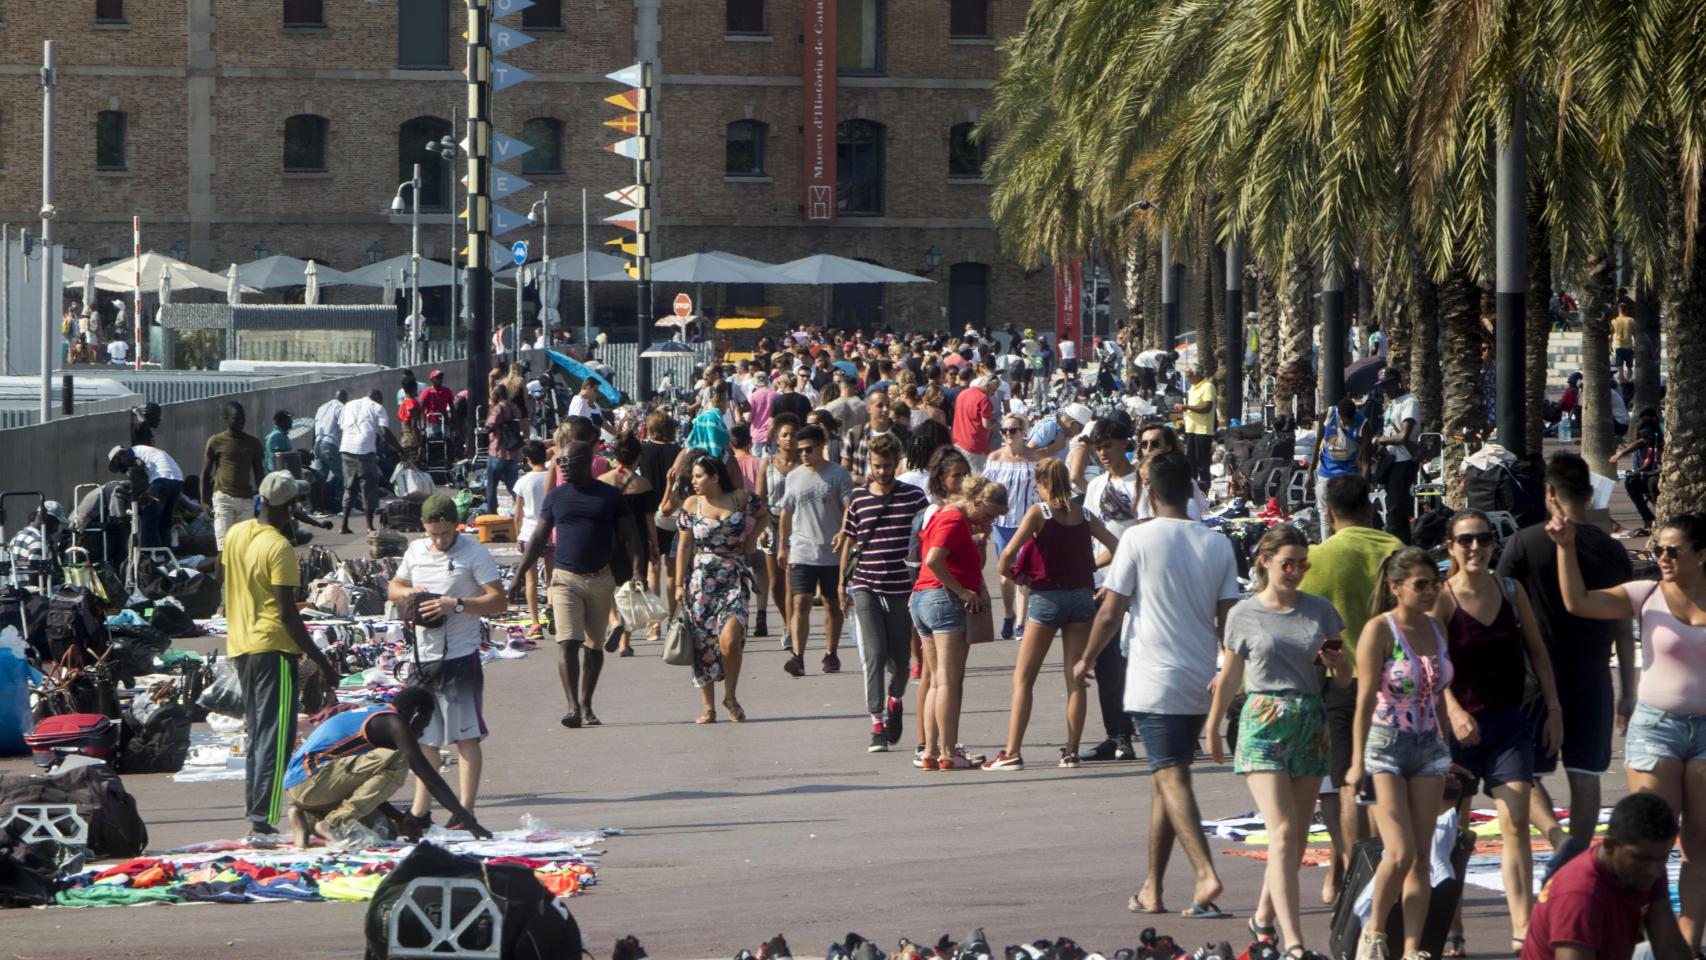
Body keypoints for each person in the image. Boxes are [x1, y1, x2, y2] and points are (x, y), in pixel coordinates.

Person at [1076, 451, 1238, 918]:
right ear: (1191, 491)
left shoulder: (1137, 538)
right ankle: (1153, 887)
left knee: (1172, 775)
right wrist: (1227, 670)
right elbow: (1228, 621)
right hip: (1199, 674)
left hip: (1153, 676)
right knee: (1164, 779)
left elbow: (1111, 611)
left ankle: (1205, 874)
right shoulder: (1217, 543)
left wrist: (1085, 658)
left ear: (1149, 490)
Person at [1552, 512, 1706, 950]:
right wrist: (1565, 547)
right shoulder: (1646, 594)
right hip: (1657, 729)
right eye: (1658, 549)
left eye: (1673, 550)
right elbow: (1578, 601)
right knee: (1650, 839)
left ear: (1701, 554)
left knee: (1700, 847)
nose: (1662, 557)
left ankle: (1687, 948)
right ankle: (1632, 941)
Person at [1206, 525, 1351, 953]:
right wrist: (1212, 726)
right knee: (1284, 831)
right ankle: (1294, 943)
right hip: (1263, 719)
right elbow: (1230, 675)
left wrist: (1339, 663)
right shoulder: (1244, 613)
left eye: (1303, 564)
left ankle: (1263, 918)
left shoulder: (1320, 610)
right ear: (1264, 562)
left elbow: (1343, 678)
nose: (1296, 572)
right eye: (1288, 563)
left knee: (1297, 837)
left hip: (1310, 720)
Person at [1497, 454, 1636, 868]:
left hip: (1534, 679)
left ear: (1550, 493)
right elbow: (1623, 625)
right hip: (1592, 676)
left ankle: (1557, 840)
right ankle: (1575, 859)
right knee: (1586, 775)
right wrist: (1628, 691)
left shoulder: (1524, 543)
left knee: (1521, 772)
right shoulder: (1612, 550)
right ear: (1590, 495)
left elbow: (1500, 604)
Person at [1436, 509, 1564, 952]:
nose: (1476, 547)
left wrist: (1553, 707)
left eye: (1484, 539)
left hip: (1508, 723)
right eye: (1466, 540)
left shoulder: (1510, 589)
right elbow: (1431, 667)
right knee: (1453, 835)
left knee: (1515, 824)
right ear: (1451, 546)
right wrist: (1454, 710)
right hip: (1456, 732)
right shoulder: (1442, 599)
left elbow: (1538, 652)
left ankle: (1522, 930)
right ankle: (1453, 929)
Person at [1298, 474, 1404, 904]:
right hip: (1394, 677)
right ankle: (1378, 871)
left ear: (1329, 512)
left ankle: (1351, 873)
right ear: (1369, 509)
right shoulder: (1394, 548)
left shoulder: (1318, 557)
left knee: (1346, 782)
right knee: (1383, 778)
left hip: (1341, 679)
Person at [1346, 547, 1454, 960]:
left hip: (1429, 746)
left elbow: (1439, 695)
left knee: (1423, 855)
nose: (1430, 591)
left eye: (1434, 583)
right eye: (1420, 584)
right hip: (1385, 744)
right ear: (1395, 588)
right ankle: (1373, 933)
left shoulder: (1437, 628)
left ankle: (1412, 948)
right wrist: (1356, 762)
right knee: (1400, 851)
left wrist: (1446, 746)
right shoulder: (1380, 630)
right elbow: (1363, 700)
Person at [986, 459, 1120, 770]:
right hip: (1081, 597)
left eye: (1037, 484)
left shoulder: (1039, 513)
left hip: (1048, 598)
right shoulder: (1084, 514)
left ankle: (1012, 751)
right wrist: (1089, 566)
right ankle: (1071, 750)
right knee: (1076, 678)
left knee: (1024, 677)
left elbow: (1006, 556)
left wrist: (1016, 576)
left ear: (1044, 483)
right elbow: (1116, 546)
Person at [222, 472, 336, 836]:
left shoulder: (237, 533)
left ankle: (256, 812)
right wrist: (320, 660)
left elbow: (227, 578)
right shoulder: (279, 548)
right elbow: (287, 614)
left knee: (258, 734)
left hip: (241, 646)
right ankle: (263, 821)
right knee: (276, 737)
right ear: (291, 507)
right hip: (273, 648)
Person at [387, 495, 506, 823]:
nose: (440, 540)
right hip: (421, 658)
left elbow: (499, 601)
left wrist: (456, 604)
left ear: (456, 525)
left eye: (446, 533)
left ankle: (465, 811)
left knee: (465, 737)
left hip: (459, 656)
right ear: (424, 528)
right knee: (424, 739)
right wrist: (408, 594)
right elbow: (394, 586)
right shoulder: (416, 550)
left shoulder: (474, 553)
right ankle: (420, 810)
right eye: (433, 533)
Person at [510, 442, 644, 729]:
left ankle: (586, 704)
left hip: (600, 579)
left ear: (586, 462)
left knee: (594, 647)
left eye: (567, 462)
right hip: (564, 579)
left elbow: (631, 536)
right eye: (560, 462)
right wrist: (519, 573)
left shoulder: (610, 496)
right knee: (568, 642)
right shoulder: (556, 497)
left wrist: (637, 571)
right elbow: (538, 537)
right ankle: (572, 707)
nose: (562, 467)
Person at [284, 688, 492, 847]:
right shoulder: (392, 723)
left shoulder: (376, 717)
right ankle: (335, 822)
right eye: (425, 722)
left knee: (384, 830)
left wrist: (401, 819)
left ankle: (306, 817)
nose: (422, 731)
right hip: (311, 780)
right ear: (416, 714)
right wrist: (468, 820)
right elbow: (430, 778)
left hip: (309, 787)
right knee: (399, 759)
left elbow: (366, 788)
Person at [838, 433, 928, 752]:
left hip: (903, 588)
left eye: (887, 466)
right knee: (875, 654)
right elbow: (850, 542)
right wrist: (841, 584)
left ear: (896, 464)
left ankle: (895, 700)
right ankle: (877, 722)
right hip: (867, 586)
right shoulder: (859, 499)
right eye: (877, 466)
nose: (882, 472)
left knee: (901, 662)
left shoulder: (914, 497)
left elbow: (927, 536)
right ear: (869, 464)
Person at [1520, 792, 1689, 960]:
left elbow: (1669, 946)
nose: (1654, 871)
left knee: (1658, 952)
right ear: (1609, 846)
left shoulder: (1650, 866)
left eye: (1662, 858)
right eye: (1640, 859)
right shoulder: (1579, 893)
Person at [913, 475, 1008, 770]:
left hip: (925, 599)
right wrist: (962, 591)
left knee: (936, 681)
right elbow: (933, 560)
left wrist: (978, 538)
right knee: (949, 682)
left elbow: (966, 562)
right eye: (990, 514)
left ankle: (931, 752)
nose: (992, 520)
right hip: (942, 601)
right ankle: (947, 752)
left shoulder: (947, 516)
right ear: (977, 502)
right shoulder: (954, 520)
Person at [674, 453, 766, 723]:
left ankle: (731, 696)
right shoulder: (691, 505)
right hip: (701, 581)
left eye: (699, 476)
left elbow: (764, 515)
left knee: (731, 640)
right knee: (703, 643)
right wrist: (678, 584)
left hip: (734, 577)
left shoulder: (740, 498)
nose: (694, 482)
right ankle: (709, 708)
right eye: (692, 477)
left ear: (715, 477)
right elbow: (684, 547)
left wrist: (751, 540)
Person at [1080, 418, 1140, 763]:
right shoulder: (1095, 485)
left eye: (1108, 446)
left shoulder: (1140, 483)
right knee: (1106, 663)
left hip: (1135, 584)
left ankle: (1136, 731)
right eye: (1098, 447)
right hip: (1101, 582)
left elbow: (1140, 535)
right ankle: (1115, 735)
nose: (1103, 453)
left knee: (1132, 659)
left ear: (1123, 444)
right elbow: (1091, 532)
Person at [778, 424, 854, 676]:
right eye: (800, 450)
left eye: (809, 449)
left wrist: (844, 532)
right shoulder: (794, 476)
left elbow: (848, 507)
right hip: (802, 549)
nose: (803, 454)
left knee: (832, 604)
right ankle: (797, 656)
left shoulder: (839, 474)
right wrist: (782, 545)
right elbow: (786, 512)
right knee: (800, 602)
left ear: (822, 446)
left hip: (832, 552)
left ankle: (831, 654)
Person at [984, 414, 1044, 640]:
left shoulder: (1035, 458)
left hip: (1027, 524)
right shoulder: (995, 458)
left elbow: (1042, 489)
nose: (1008, 434)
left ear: (1023, 432)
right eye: (1005, 430)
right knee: (1005, 575)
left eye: (1013, 430)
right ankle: (1009, 614)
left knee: (1023, 573)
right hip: (1002, 524)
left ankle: (1021, 623)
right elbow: (985, 491)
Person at [600, 433, 658, 657]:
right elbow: (649, 519)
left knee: (606, 584)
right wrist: (654, 545)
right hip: (636, 541)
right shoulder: (643, 484)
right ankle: (625, 643)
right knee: (632, 588)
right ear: (638, 457)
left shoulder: (603, 481)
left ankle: (613, 620)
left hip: (608, 539)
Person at [758, 413, 802, 647]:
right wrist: (761, 528)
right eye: (784, 435)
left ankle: (791, 629)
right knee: (775, 583)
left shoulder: (804, 464)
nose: (789, 439)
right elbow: (759, 498)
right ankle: (787, 620)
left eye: (793, 434)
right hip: (771, 522)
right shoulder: (767, 463)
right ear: (777, 438)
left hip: (796, 524)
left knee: (791, 581)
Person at [202, 401, 266, 552]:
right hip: (223, 499)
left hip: (246, 501)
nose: (241, 422)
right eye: (236, 418)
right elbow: (205, 474)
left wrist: (262, 501)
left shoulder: (253, 443)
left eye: (243, 418)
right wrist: (204, 502)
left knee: (244, 549)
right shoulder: (216, 441)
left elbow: (259, 474)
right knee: (224, 549)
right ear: (226, 419)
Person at [637, 410, 682, 610]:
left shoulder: (643, 451)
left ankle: (654, 620)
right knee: (671, 569)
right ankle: (673, 616)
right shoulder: (677, 451)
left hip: (649, 512)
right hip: (672, 512)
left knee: (652, 567)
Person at [1373, 369, 1421, 543]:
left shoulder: (1409, 402)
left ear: (1397, 383)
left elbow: (1403, 437)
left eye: (1388, 385)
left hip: (1404, 461)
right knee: (1395, 506)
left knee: (1395, 508)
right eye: (1383, 386)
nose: (1386, 390)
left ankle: (1396, 543)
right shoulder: (1393, 404)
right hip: (1391, 460)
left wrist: (1383, 440)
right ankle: (1404, 542)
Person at [108, 443, 184, 549]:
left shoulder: (126, 454)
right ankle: (165, 553)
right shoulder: (142, 450)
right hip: (178, 480)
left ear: (117, 459)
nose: (121, 470)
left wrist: (136, 494)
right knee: (165, 520)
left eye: (119, 467)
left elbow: (139, 464)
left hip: (161, 479)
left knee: (149, 518)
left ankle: (152, 553)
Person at [512, 441, 553, 640]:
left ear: (527, 459)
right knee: (552, 578)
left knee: (531, 580)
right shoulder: (552, 477)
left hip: (529, 533)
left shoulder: (523, 482)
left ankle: (535, 624)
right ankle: (552, 608)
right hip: (550, 532)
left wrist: (517, 535)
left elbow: (517, 515)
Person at [1313, 395, 1368, 540]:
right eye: (1345, 419)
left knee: (1348, 517)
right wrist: (1310, 471)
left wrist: (1364, 485)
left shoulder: (1363, 425)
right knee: (1325, 516)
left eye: (1351, 419)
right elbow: (1317, 443)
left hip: (1348, 477)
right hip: (1325, 473)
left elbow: (1365, 460)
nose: (1348, 422)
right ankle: (1327, 546)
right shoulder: (1327, 415)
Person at [338, 389, 389, 535]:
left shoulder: (348, 405)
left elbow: (342, 428)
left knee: (349, 488)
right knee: (369, 489)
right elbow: (384, 432)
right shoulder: (377, 407)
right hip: (365, 452)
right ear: (377, 398)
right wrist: (399, 450)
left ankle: (344, 525)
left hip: (346, 449)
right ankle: (369, 526)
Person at [1611, 408, 1661, 535]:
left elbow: (1657, 466)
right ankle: (1647, 518)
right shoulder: (1649, 440)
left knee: (1652, 483)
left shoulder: (1659, 434)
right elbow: (1647, 462)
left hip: (1657, 475)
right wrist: (1636, 472)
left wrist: (1640, 472)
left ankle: (1662, 515)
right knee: (1631, 482)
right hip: (1649, 473)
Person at [844, 390, 905, 485]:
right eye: (880, 405)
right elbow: (844, 471)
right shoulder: (855, 433)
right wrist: (862, 479)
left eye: (888, 405)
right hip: (863, 490)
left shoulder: (902, 434)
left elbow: (906, 466)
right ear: (868, 408)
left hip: (894, 491)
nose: (885, 409)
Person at [484, 383, 526, 513]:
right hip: (514, 452)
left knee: (491, 484)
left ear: (497, 395)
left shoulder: (498, 408)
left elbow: (490, 424)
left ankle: (491, 513)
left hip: (498, 451)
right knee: (513, 486)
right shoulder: (514, 407)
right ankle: (522, 510)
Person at [7, 500, 67, 588]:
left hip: (15, 587)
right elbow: (34, 577)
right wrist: (57, 582)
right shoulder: (38, 541)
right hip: (32, 591)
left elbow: (20, 563)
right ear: (49, 521)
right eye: (56, 524)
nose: (56, 529)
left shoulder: (18, 536)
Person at [1178, 364, 1216, 489]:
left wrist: (1186, 407)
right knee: (1191, 461)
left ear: (1197, 374)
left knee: (1202, 462)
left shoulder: (1207, 386)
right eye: (1187, 377)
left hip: (1203, 430)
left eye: (1190, 376)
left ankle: (1205, 487)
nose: (1188, 379)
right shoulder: (1193, 388)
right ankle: (1193, 487)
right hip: (1191, 429)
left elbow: (1206, 407)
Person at [950, 374, 996, 472]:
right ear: (987, 386)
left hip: (958, 442)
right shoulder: (984, 399)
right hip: (975, 445)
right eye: (993, 390)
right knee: (978, 477)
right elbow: (986, 424)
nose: (993, 394)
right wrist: (995, 422)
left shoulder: (963, 393)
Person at [312, 390, 346, 507]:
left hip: (317, 444)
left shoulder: (321, 407)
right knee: (344, 475)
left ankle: (318, 508)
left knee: (320, 479)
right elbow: (343, 427)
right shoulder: (341, 407)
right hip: (329, 444)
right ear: (344, 398)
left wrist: (313, 447)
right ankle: (344, 506)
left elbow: (314, 427)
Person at [1026, 403, 1094, 461]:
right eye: (1080, 429)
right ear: (1072, 423)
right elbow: (1026, 455)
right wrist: (1054, 448)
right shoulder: (1050, 426)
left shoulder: (1064, 431)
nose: (1079, 433)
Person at [1611, 302, 1636, 382]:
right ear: (1626, 310)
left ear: (1618, 310)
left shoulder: (1614, 321)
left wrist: (1609, 346)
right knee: (1629, 368)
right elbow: (1635, 335)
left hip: (1619, 347)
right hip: (1629, 347)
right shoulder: (1631, 320)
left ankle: (1621, 382)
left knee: (1620, 369)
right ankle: (1628, 381)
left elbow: (1610, 335)